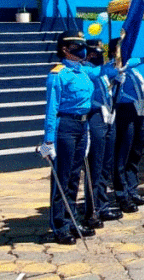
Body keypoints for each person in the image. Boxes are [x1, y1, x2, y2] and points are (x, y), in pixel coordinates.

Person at [38, 30, 104, 244]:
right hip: (64, 125)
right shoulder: (58, 74)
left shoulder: (83, 71)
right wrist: (48, 140)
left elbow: (106, 71)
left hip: (82, 125)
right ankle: (59, 225)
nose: (82, 49)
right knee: (63, 177)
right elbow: (51, 108)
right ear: (65, 49)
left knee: (75, 176)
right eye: (76, 46)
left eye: (82, 45)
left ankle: (72, 220)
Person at [112, 38, 144, 214]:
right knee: (123, 153)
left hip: (139, 112)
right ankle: (121, 194)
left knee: (136, 153)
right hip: (125, 111)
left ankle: (132, 190)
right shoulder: (116, 67)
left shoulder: (134, 71)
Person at [82, 40, 123, 226]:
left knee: (106, 165)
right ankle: (92, 210)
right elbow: (102, 72)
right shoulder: (86, 70)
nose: (97, 56)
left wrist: (116, 82)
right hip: (95, 117)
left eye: (99, 53)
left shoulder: (102, 71)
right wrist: (116, 70)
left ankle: (103, 205)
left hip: (108, 117)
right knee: (95, 166)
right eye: (93, 53)